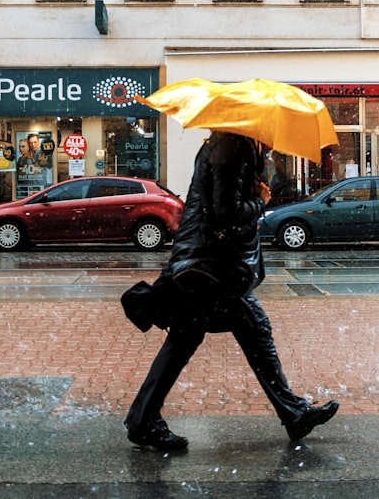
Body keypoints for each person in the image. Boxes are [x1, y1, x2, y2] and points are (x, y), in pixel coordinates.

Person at [125, 131, 339, 451]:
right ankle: (143, 422)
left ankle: (293, 413)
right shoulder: (232, 147)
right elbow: (225, 214)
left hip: (211, 264)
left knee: (216, 335)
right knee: (211, 335)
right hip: (213, 267)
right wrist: (260, 201)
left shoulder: (230, 146)